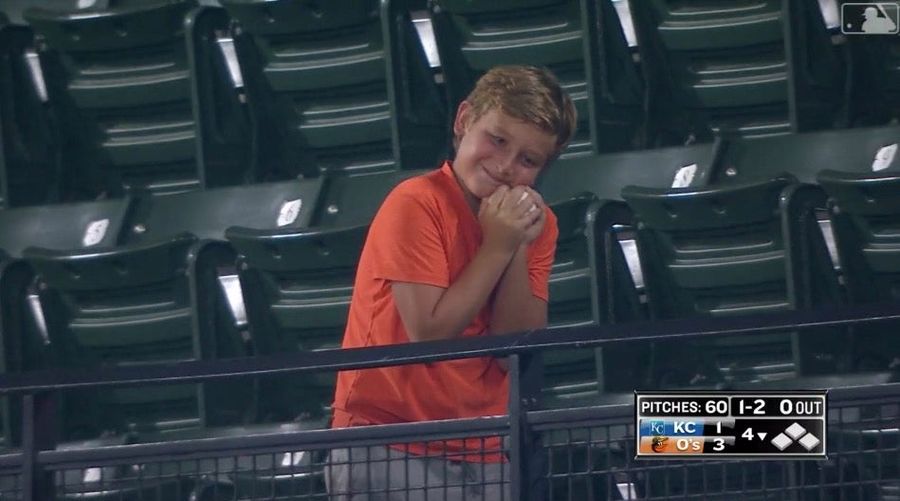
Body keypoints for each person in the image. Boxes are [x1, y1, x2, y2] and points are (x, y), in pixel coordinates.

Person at [326, 65, 577, 500]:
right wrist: (498, 245)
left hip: (485, 446)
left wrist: (515, 243)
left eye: (527, 160)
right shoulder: (416, 201)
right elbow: (430, 335)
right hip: (388, 443)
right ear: (463, 121)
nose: (504, 166)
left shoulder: (538, 224)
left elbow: (514, 351)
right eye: (496, 140)